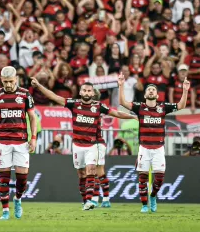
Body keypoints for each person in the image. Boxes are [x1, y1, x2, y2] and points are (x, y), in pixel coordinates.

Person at [30, 77, 136, 210]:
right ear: (80, 92)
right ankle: (86, 199)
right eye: (84, 90)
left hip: (94, 144)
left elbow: (116, 113)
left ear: (92, 93)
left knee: (92, 170)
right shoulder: (74, 104)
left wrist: (132, 116)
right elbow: (54, 96)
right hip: (78, 145)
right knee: (81, 174)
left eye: (89, 91)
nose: (86, 93)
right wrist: (39, 85)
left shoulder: (98, 106)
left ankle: (92, 200)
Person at [118, 72, 190, 213]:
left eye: (154, 89)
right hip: (144, 148)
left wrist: (185, 90)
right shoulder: (140, 107)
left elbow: (181, 105)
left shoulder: (163, 107)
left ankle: (153, 196)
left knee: (159, 178)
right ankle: (144, 205)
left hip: (158, 148)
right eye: (148, 89)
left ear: (157, 95)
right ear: (145, 95)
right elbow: (122, 103)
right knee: (142, 178)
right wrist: (121, 85)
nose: (151, 90)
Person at [0, 66, 38, 220]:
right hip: (3, 141)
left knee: (22, 180)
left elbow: (33, 117)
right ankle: (5, 211)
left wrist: (33, 137)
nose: (8, 84)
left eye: (10, 81)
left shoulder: (25, 94)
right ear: (1, 79)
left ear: (16, 79)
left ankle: (18, 199)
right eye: (5, 81)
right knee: (4, 178)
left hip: (21, 142)